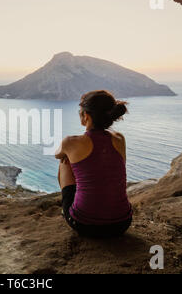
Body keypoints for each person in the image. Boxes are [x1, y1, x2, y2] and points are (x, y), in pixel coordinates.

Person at [55, 90, 132, 238]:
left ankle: (66, 210)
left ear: (86, 116)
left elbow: (58, 154)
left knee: (65, 161)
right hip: (122, 224)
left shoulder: (71, 142)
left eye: (80, 112)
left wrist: (71, 152)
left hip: (85, 225)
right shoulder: (120, 138)